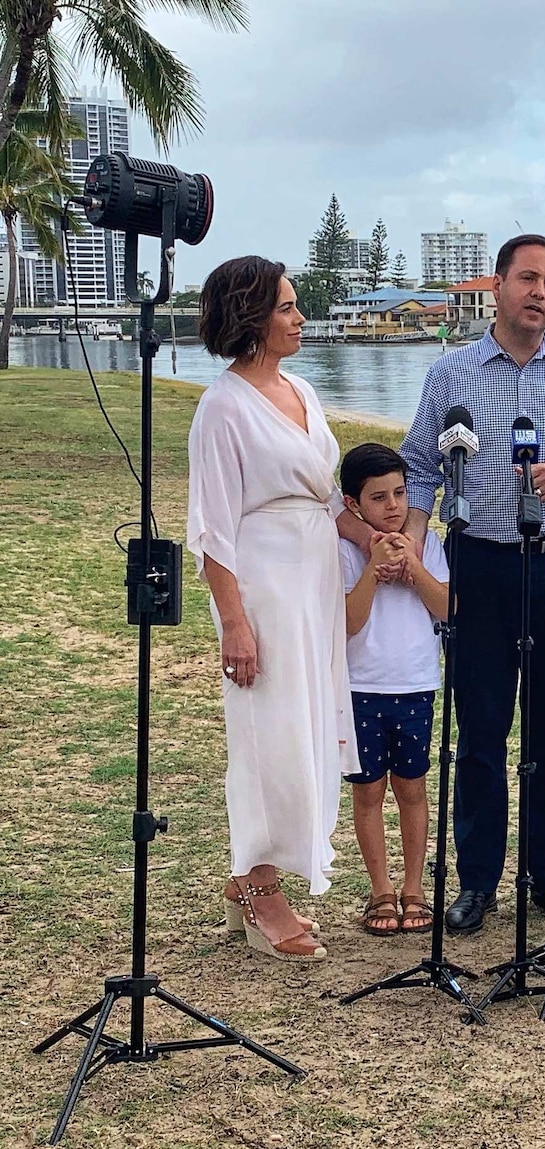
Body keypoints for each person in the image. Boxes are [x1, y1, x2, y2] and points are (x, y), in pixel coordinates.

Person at [341, 234, 545, 935]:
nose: (541, 293)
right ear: (497, 285)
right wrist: (416, 547)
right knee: (480, 728)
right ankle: (477, 882)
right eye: (528, 278)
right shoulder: (451, 373)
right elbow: (421, 465)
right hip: (479, 565)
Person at [187, 255, 360, 961]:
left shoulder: (305, 391)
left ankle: (252, 876)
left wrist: (378, 535)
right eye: (287, 307)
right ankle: (259, 884)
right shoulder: (222, 406)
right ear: (251, 318)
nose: (299, 317)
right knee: (266, 731)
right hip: (262, 584)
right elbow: (212, 527)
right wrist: (234, 620)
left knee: (307, 727)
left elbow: (325, 497)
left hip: (313, 581)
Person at [338, 444, 449, 935]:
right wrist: (372, 572)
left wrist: (413, 569)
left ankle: (413, 887)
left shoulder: (428, 544)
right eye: (378, 497)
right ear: (353, 503)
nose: (393, 506)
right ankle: (379, 888)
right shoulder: (341, 549)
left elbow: (447, 608)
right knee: (368, 791)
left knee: (412, 788)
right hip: (360, 685)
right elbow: (348, 621)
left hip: (416, 683)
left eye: (400, 493)